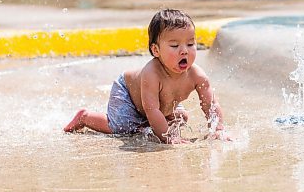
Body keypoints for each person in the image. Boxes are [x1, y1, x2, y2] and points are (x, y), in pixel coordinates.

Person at [64, 9, 228, 144]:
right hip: (128, 94)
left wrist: (218, 129)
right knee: (123, 128)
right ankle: (85, 117)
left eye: (191, 44)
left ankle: (144, 125)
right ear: (156, 50)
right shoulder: (152, 73)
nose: (184, 50)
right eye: (174, 45)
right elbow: (152, 110)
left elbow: (211, 104)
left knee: (181, 118)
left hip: (158, 106)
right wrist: (169, 138)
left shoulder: (197, 75)